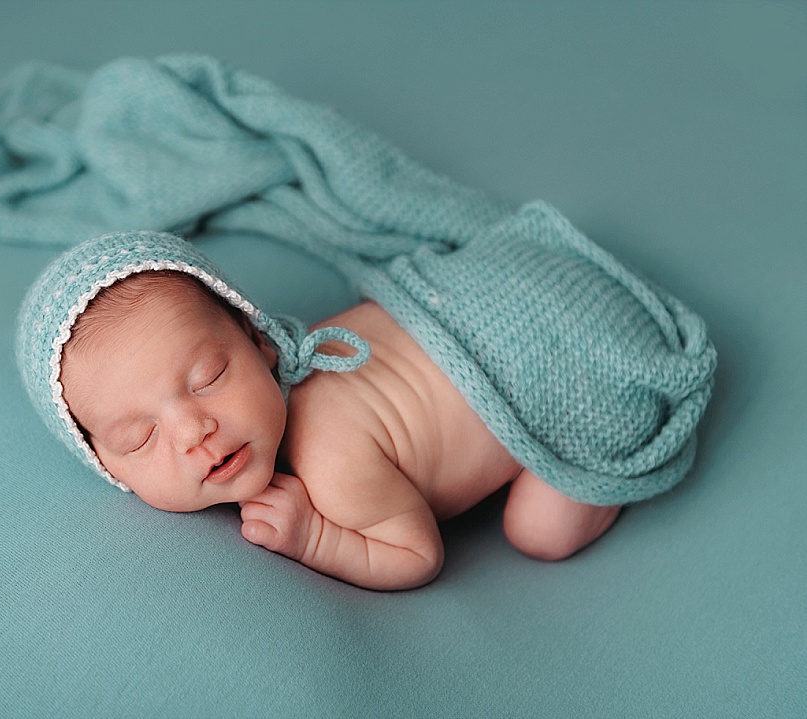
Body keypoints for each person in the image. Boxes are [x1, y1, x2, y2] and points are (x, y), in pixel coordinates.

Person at [36, 231, 635, 591]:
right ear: (104, 465)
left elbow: (417, 556)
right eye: (140, 437)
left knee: (540, 533)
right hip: (513, 278)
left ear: (262, 341)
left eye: (209, 377)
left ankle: (614, 454)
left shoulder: (329, 461)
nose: (195, 430)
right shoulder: (314, 343)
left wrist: (316, 538)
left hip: (577, 357)